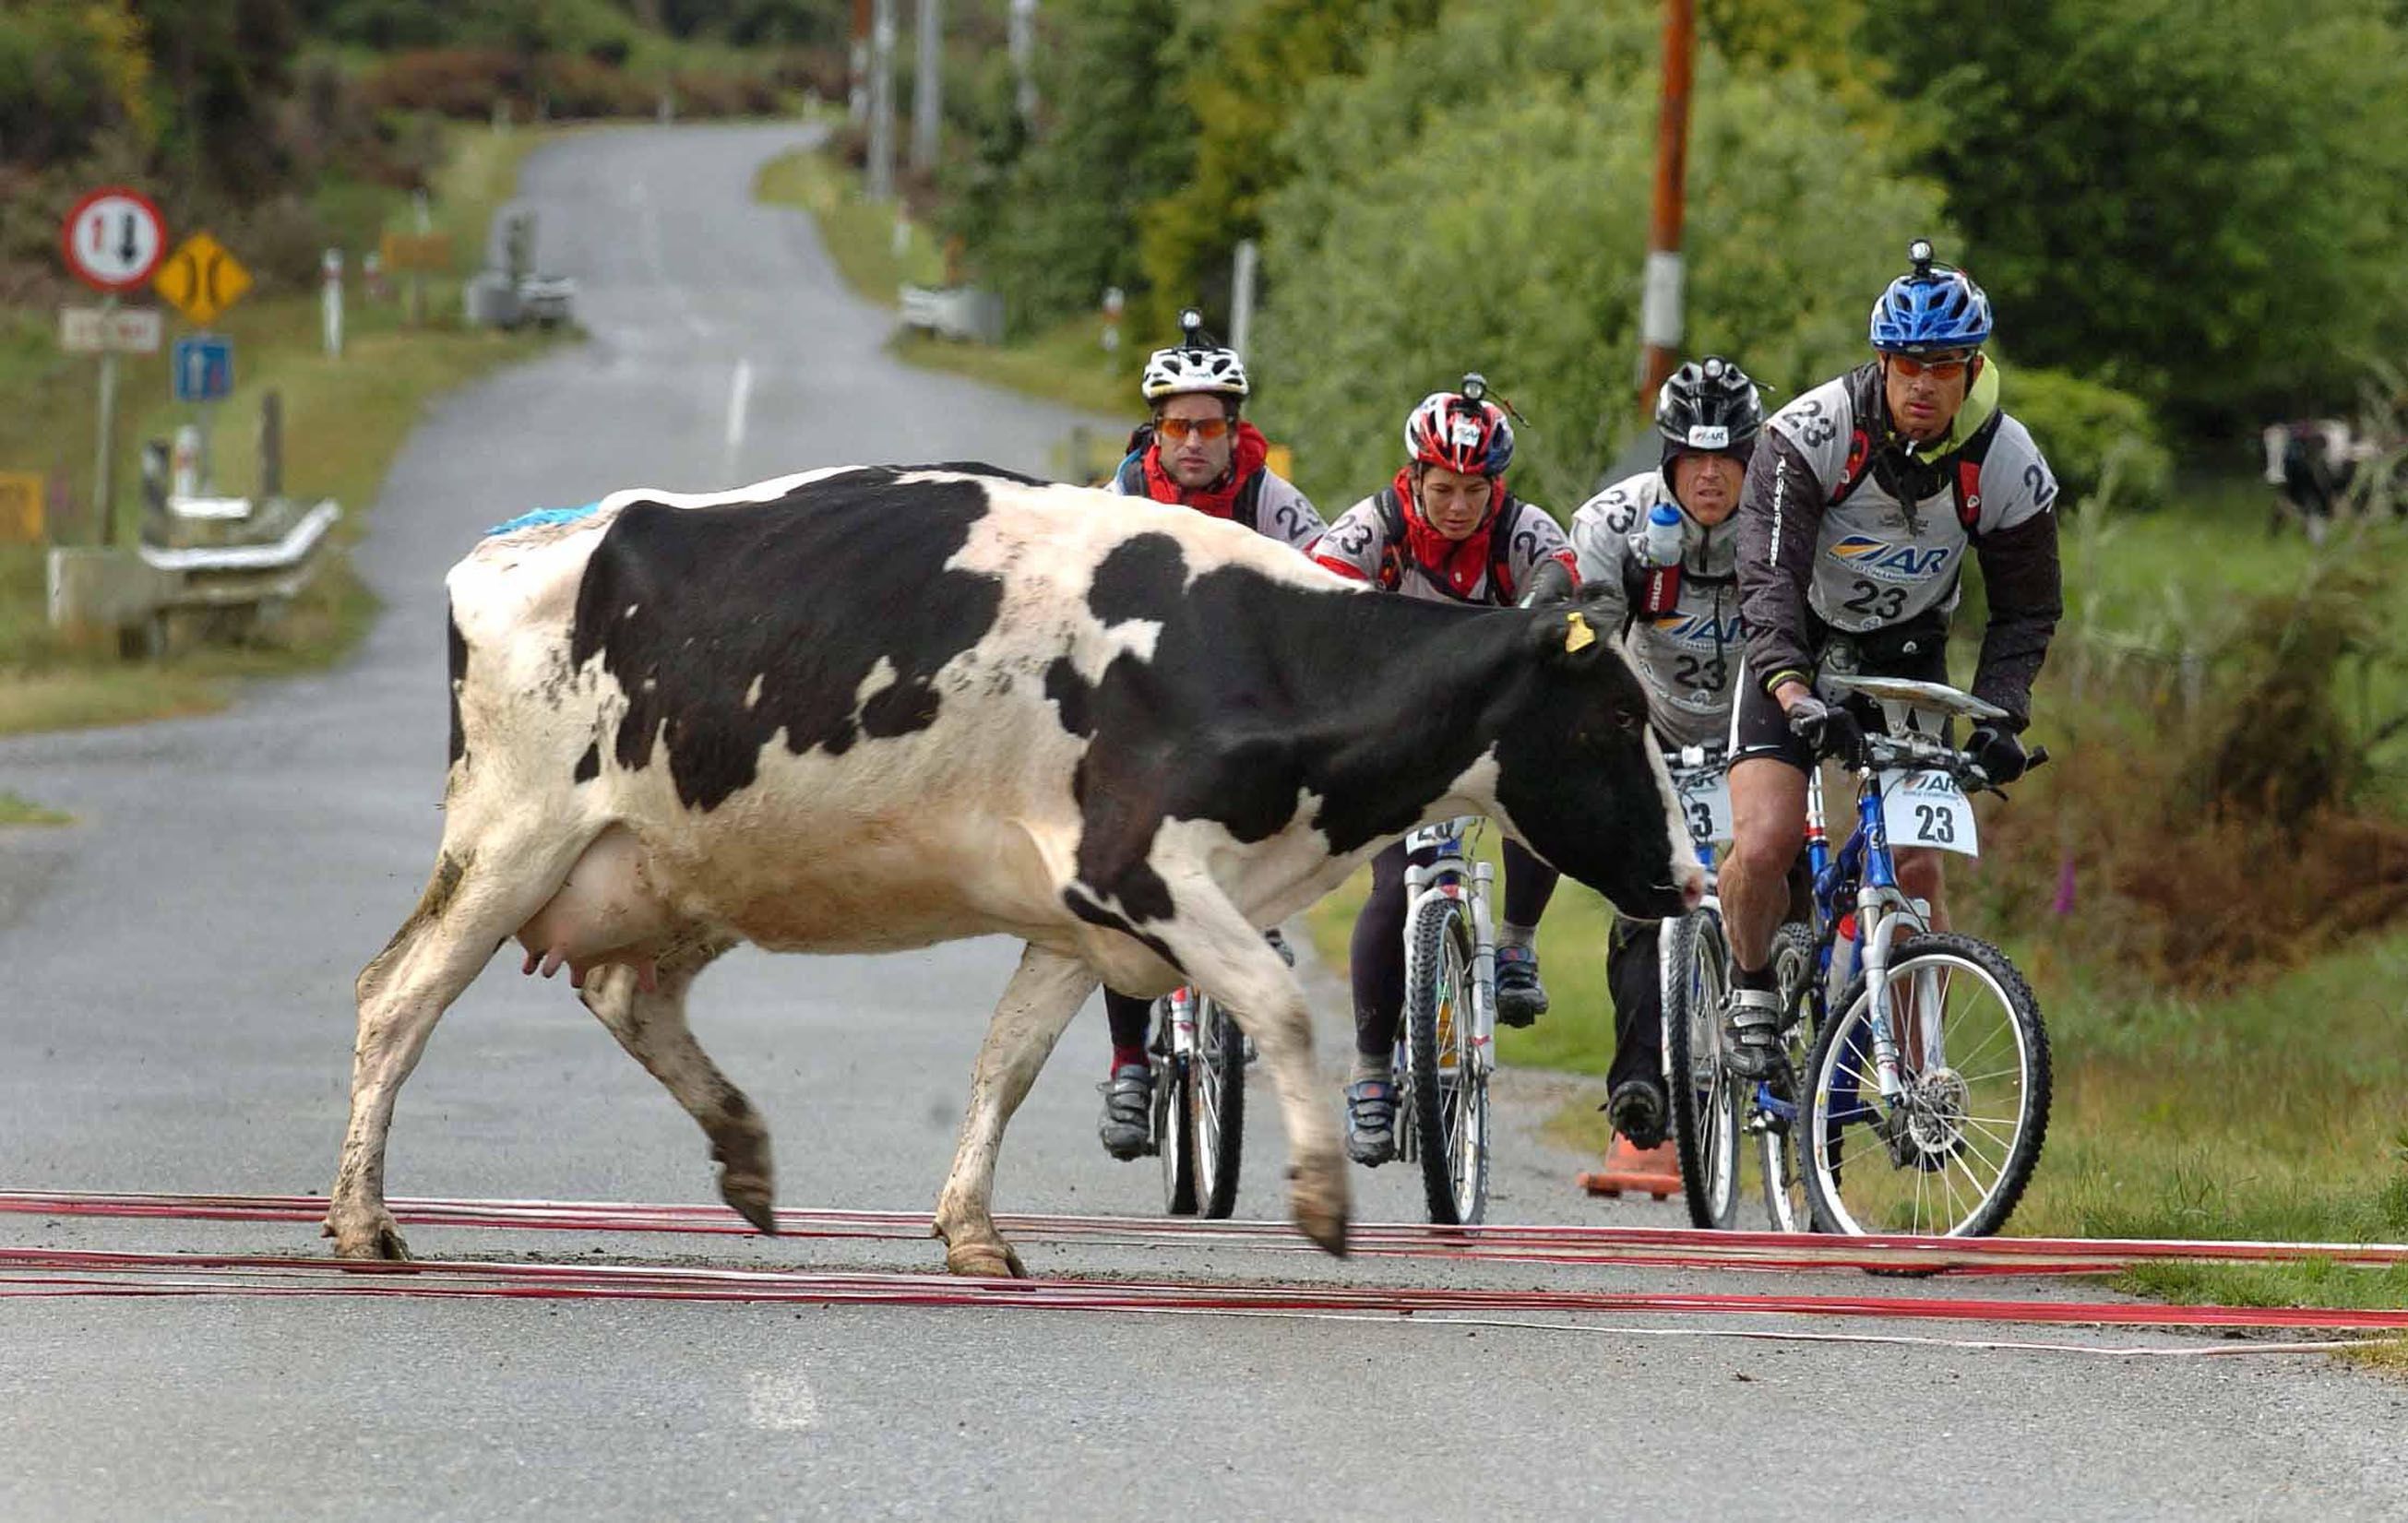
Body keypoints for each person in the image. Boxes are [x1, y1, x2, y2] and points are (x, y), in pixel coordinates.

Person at [1717, 240, 2062, 1081]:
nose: (1922, 384)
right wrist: (1793, 691)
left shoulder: (2007, 461)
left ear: (1971, 368)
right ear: (1882, 361)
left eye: (1942, 367)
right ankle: (1752, 986)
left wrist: (1999, 715)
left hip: (1905, 653)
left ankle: (1918, 1073)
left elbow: (2027, 611)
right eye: (1907, 364)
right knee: (1764, 840)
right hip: (1794, 640)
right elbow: (1765, 581)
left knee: (1914, 864)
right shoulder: (1809, 435)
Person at [1311, 376, 1580, 1164]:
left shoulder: (1523, 529)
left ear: (1495, 485)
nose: (1458, 505)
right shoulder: (1373, 528)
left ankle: (1519, 944)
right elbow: (1314, 603)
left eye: (1474, 489)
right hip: (1401, 732)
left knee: (1546, 782)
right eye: (1443, 488)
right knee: (1393, 888)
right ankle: (1368, 1073)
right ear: (1414, 480)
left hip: (1493, 726)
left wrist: (1543, 617)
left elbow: (1564, 586)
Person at [1095, 310, 1327, 1161]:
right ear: (1156, 427)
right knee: (1113, 880)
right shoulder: (1117, 499)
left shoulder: (1273, 500)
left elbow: (1325, 588)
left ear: (1237, 428)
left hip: (1239, 712)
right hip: (1146, 706)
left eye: (1211, 425)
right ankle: (1127, 1062)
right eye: (1178, 425)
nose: (1194, 442)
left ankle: (1260, 913)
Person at [1566, 355, 1763, 1192]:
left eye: (1728, 459)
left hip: (1757, 733)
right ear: (1668, 458)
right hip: (1652, 731)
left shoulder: (1789, 518)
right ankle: (1639, 1096)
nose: (1711, 476)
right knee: (1648, 902)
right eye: (1693, 458)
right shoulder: (1612, 522)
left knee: (1784, 893)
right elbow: (1584, 637)